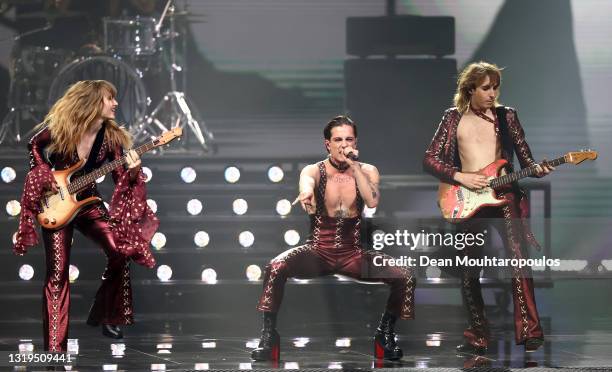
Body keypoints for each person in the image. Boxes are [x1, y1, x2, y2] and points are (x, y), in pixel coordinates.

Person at [251, 115, 416, 361]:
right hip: (318, 250)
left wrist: (355, 166)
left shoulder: (368, 170)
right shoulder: (314, 170)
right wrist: (306, 192)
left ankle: (385, 333)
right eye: (337, 139)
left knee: (405, 276)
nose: (343, 144)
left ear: (356, 141)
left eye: (348, 139)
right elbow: (307, 183)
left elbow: (371, 200)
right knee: (275, 267)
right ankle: (268, 335)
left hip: (352, 252)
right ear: (327, 143)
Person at [13, 80, 159, 352]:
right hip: (56, 201)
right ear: (93, 101)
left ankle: (108, 314)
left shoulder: (111, 138)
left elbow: (119, 178)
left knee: (120, 250)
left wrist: (134, 171)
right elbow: (34, 145)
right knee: (57, 275)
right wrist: (45, 172)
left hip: (89, 200)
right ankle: (55, 351)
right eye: (109, 99)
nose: (115, 103)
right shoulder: (62, 126)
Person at [423, 61, 554, 354]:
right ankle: (477, 337)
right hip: (468, 199)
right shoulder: (452, 118)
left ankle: (531, 333)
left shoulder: (507, 117)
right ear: (470, 88)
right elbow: (430, 159)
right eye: (486, 88)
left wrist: (537, 168)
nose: (492, 93)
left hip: (504, 195)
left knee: (518, 261)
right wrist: (460, 176)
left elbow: (525, 158)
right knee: (469, 269)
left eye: (496, 87)